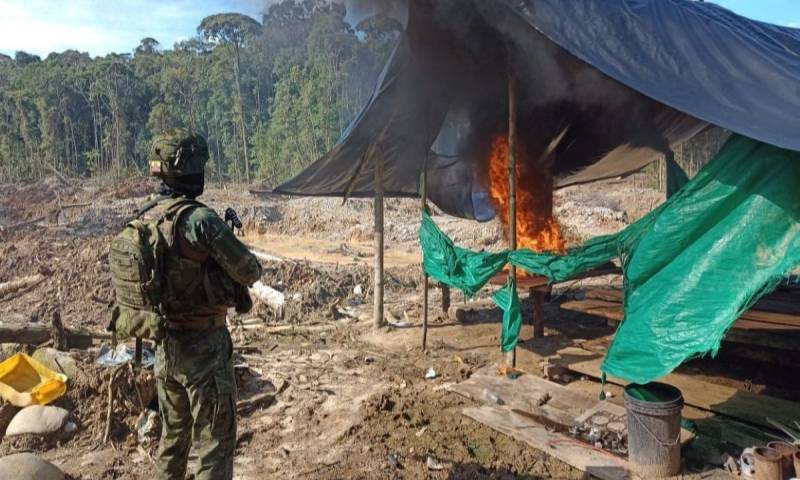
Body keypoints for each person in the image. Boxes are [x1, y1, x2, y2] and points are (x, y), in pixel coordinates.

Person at [147, 128, 262, 479]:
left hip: (166, 349)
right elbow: (249, 270)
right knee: (215, 443)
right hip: (205, 351)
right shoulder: (200, 221)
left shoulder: (149, 219)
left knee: (172, 442)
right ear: (191, 170)